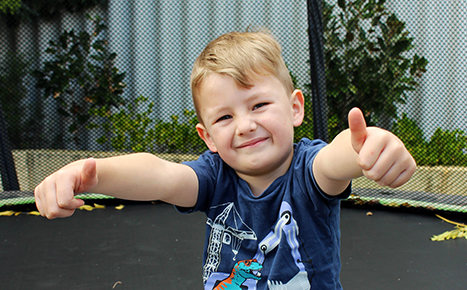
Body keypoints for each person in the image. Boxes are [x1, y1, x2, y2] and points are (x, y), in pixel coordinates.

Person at [34, 30, 416, 290]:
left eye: (260, 105)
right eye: (225, 117)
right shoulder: (214, 176)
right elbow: (161, 176)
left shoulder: (307, 171)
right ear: (208, 137)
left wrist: (366, 148)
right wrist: (90, 174)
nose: (246, 125)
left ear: (295, 107)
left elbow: (335, 160)